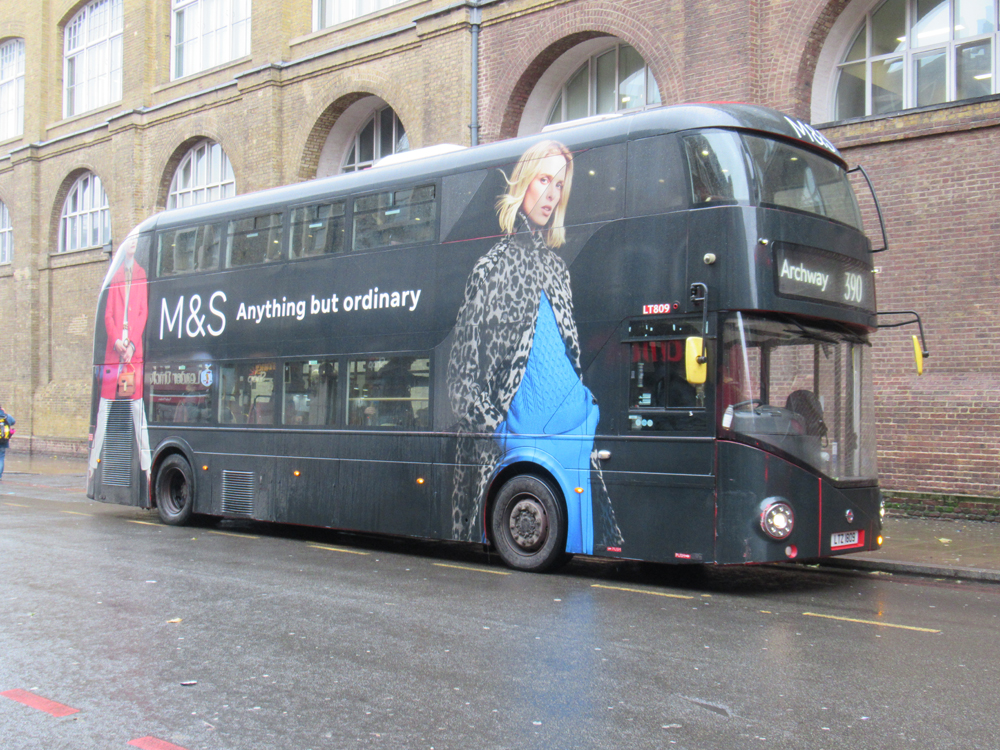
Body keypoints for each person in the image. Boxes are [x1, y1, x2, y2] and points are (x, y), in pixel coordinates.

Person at [447, 139, 623, 553]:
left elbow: (565, 355)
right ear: (523, 181)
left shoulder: (557, 268)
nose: (551, 194)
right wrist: (503, 435)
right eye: (544, 179)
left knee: (577, 548)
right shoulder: (492, 267)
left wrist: (588, 408)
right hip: (524, 444)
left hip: (577, 434)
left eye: (559, 184)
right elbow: (461, 379)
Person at [88, 230, 151, 494]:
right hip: (115, 352)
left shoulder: (142, 274)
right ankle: (92, 466)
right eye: (130, 241)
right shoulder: (115, 276)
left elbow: (142, 312)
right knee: (104, 408)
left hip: (132, 352)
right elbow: (108, 316)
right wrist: (117, 343)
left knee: (137, 409)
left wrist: (132, 345)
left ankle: (147, 469)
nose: (132, 244)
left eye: (136, 242)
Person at [0, 402, 14, 481]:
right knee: (1, 458)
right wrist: (5, 413)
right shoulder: (6, 416)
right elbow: (13, 422)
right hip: (3, 441)